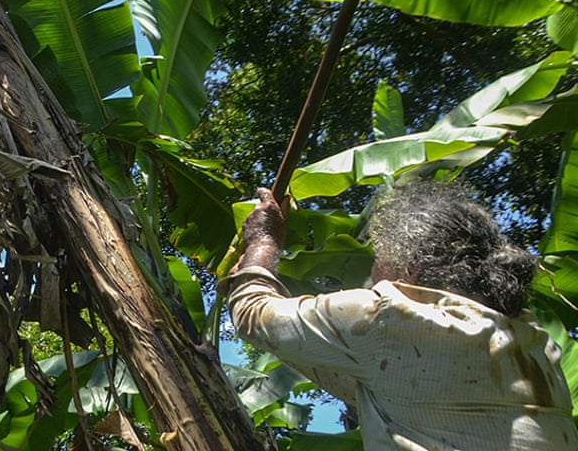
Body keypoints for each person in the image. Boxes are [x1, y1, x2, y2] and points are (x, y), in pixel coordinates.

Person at [224, 180, 577, 450]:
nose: (374, 274)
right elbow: (366, 384)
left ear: (410, 268)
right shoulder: (534, 344)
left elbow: (253, 315)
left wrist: (263, 245)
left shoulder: (391, 316)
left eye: (379, 260)